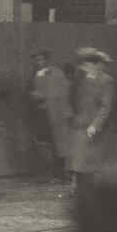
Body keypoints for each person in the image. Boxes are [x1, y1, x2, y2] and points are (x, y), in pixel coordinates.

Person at [69, 47, 114, 193]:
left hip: (94, 129)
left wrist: (95, 125)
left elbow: (105, 107)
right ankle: (80, 192)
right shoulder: (80, 80)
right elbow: (74, 101)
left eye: (84, 64)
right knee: (79, 164)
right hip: (80, 126)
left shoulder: (106, 81)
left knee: (94, 164)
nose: (81, 67)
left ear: (92, 64)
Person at [28, 50, 71, 184]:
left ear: (47, 60)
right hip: (45, 113)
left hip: (58, 113)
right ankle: (56, 173)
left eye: (41, 59)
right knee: (50, 145)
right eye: (36, 59)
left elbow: (61, 92)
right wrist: (36, 96)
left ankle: (61, 175)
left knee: (59, 144)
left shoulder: (56, 73)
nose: (39, 62)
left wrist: (42, 96)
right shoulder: (36, 74)